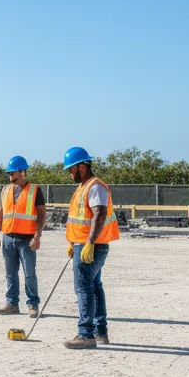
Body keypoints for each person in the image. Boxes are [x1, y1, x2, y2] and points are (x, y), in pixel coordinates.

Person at [61, 147, 120, 349]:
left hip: (92, 246)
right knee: (94, 287)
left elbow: (99, 215)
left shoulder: (95, 187)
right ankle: (100, 332)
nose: (70, 173)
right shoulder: (83, 187)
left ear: (82, 166)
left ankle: (86, 334)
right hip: (84, 245)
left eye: (71, 169)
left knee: (83, 288)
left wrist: (89, 243)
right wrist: (72, 243)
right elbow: (79, 219)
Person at [0, 155, 46, 316]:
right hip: (8, 237)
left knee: (29, 273)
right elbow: (0, 213)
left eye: (13, 173)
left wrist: (37, 236)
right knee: (10, 273)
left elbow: (41, 214)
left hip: (27, 239)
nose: (10, 176)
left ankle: (33, 304)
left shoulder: (35, 190)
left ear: (23, 172)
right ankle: (12, 304)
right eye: (9, 174)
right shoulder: (5, 190)